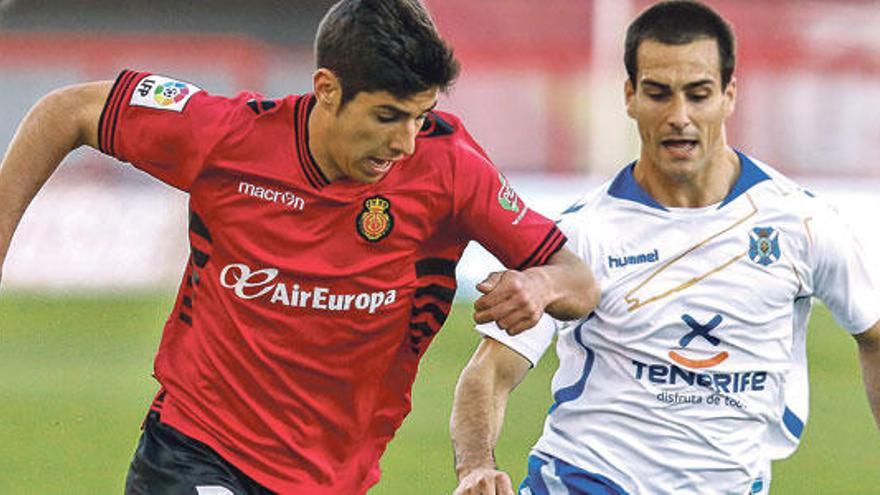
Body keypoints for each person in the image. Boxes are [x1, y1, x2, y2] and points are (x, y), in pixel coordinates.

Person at [0, 0, 600, 493]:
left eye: (421, 116)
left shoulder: (450, 170)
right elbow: (67, 110)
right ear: (327, 89)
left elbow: (577, 278)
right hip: (194, 451)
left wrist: (539, 284)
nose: (406, 142)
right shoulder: (228, 136)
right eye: (388, 116)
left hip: (335, 479)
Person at [450, 1, 880, 494]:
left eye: (698, 95)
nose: (679, 116)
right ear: (630, 96)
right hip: (584, 482)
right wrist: (476, 465)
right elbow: (489, 372)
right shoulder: (581, 237)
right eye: (659, 94)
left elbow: (874, 332)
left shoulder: (801, 223)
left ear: (729, 95)